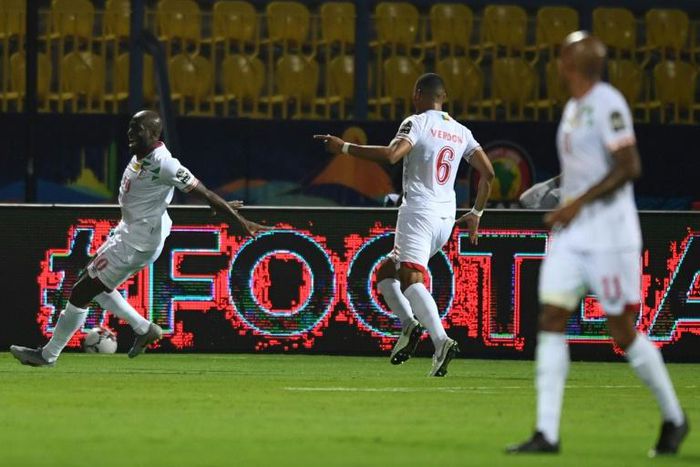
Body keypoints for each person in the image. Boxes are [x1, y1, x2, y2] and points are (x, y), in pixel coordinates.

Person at [507, 32, 688, 456]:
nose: (557, 62)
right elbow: (585, 169)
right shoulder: (572, 108)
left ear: (573, 62)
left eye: (562, 54)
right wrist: (558, 194)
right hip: (572, 236)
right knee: (551, 317)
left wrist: (576, 204)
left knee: (622, 331)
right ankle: (546, 433)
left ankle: (674, 417)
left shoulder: (608, 104)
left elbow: (629, 166)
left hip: (610, 236)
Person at [11, 110, 271, 367]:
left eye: (138, 129)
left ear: (155, 134)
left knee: (81, 292)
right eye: (130, 128)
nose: (131, 134)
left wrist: (239, 221)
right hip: (128, 232)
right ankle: (143, 328)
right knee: (95, 287)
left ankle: (48, 355)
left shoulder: (164, 163)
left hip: (137, 242)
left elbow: (203, 191)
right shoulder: (141, 156)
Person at [315, 73, 494, 377]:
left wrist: (344, 147)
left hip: (418, 213)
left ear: (419, 94)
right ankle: (410, 325)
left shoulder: (417, 122)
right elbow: (488, 174)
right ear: (445, 97)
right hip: (446, 218)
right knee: (387, 271)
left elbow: (391, 155)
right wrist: (476, 212)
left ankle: (441, 342)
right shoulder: (462, 131)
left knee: (412, 278)